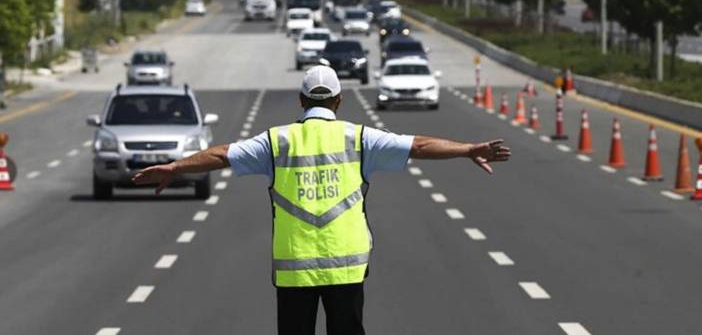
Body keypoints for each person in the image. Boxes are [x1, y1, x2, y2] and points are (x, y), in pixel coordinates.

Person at [132, 65, 511, 335]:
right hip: (346, 267)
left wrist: (174, 167)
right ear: (339, 101)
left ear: (300, 100)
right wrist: (466, 149)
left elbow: (220, 155)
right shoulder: (360, 138)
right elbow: (419, 145)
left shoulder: (276, 141)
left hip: (294, 267)